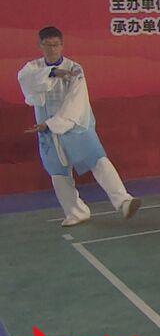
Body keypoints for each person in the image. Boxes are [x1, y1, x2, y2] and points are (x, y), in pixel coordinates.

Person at [17, 26, 140, 226]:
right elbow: (26, 80)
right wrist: (53, 72)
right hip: (47, 131)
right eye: (47, 45)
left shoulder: (75, 69)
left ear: (62, 45)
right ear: (40, 45)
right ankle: (76, 212)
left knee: (98, 160)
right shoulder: (32, 67)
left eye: (56, 45)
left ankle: (124, 201)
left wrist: (52, 123)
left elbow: (76, 102)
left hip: (75, 125)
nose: (52, 49)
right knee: (58, 173)